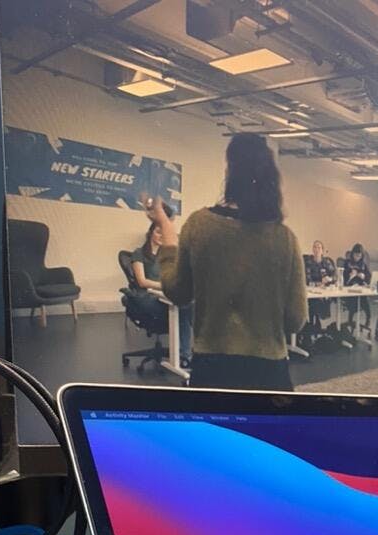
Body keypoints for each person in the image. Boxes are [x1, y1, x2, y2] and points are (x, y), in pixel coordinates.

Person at [149, 132, 308, 390]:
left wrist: (166, 234)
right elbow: (295, 320)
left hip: (213, 368)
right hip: (269, 373)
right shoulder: (285, 238)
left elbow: (178, 292)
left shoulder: (200, 225)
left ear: (229, 171)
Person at [130, 222, 193, 365]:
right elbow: (142, 282)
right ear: (150, 232)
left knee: (188, 306)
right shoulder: (139, 253)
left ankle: (188, 354)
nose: (161, 236)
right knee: (184, 309)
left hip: (165, 295)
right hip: (148, 297)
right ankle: (185, 355)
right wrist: (164, 286)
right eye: (158, 232)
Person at [305, 240, 337, 331]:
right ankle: (313, 324)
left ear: (322, 251)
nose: (317, 249)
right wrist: (318, 283)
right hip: (312, 291)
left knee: (322, 302)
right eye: (315, 247)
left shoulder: (326, 262)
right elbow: (307, 279)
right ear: (312, 249)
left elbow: (335, 276)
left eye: (319, 247)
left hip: (325, 292)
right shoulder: (308, 262)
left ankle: (317, 323)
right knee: (314, 303)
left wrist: (330, 279)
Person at [343, 243, 371, 334]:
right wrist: (350, 275)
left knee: (364, 300)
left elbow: (368, 277)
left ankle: (368, 318)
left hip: (360, 288)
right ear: (352, 254)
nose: (357, 258)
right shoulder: (347, 263)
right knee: (354, 300)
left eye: (359, 256)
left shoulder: (363, 264)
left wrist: (363, 276)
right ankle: (350, 320)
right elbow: (343, 276)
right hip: (349, 288)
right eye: (356, 255)